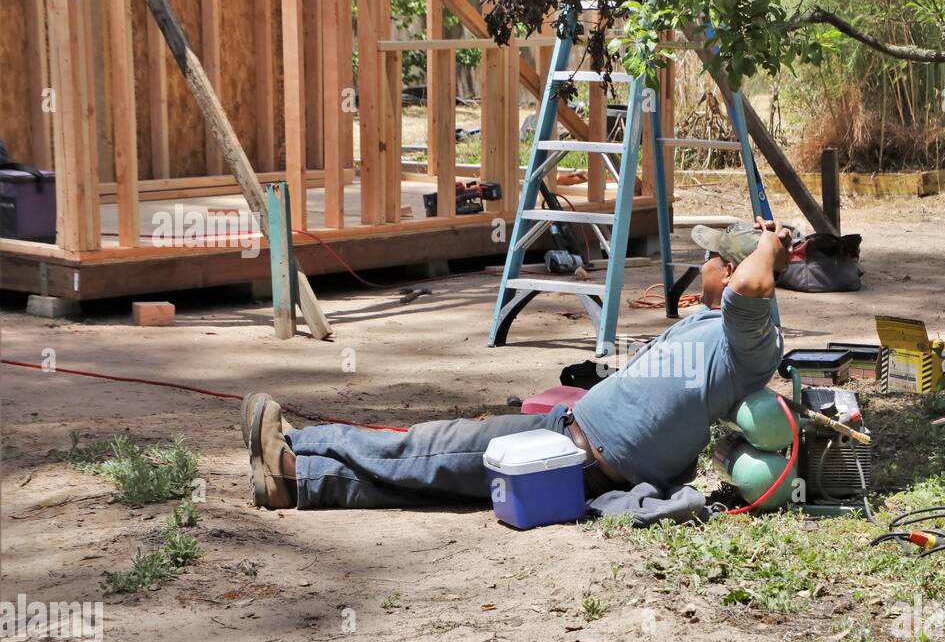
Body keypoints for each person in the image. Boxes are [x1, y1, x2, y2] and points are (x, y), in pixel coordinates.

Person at [243, 218, 791, 509]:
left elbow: (750, 285)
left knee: (430, 447)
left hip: (577, 456)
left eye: (711, 257)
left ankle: (302, 449)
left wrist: (769, 243)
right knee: (435, 477)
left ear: (735, 268)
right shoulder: (715, 322)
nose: (702, 264)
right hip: (569, 434)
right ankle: (297, 476)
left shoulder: (749, 339)